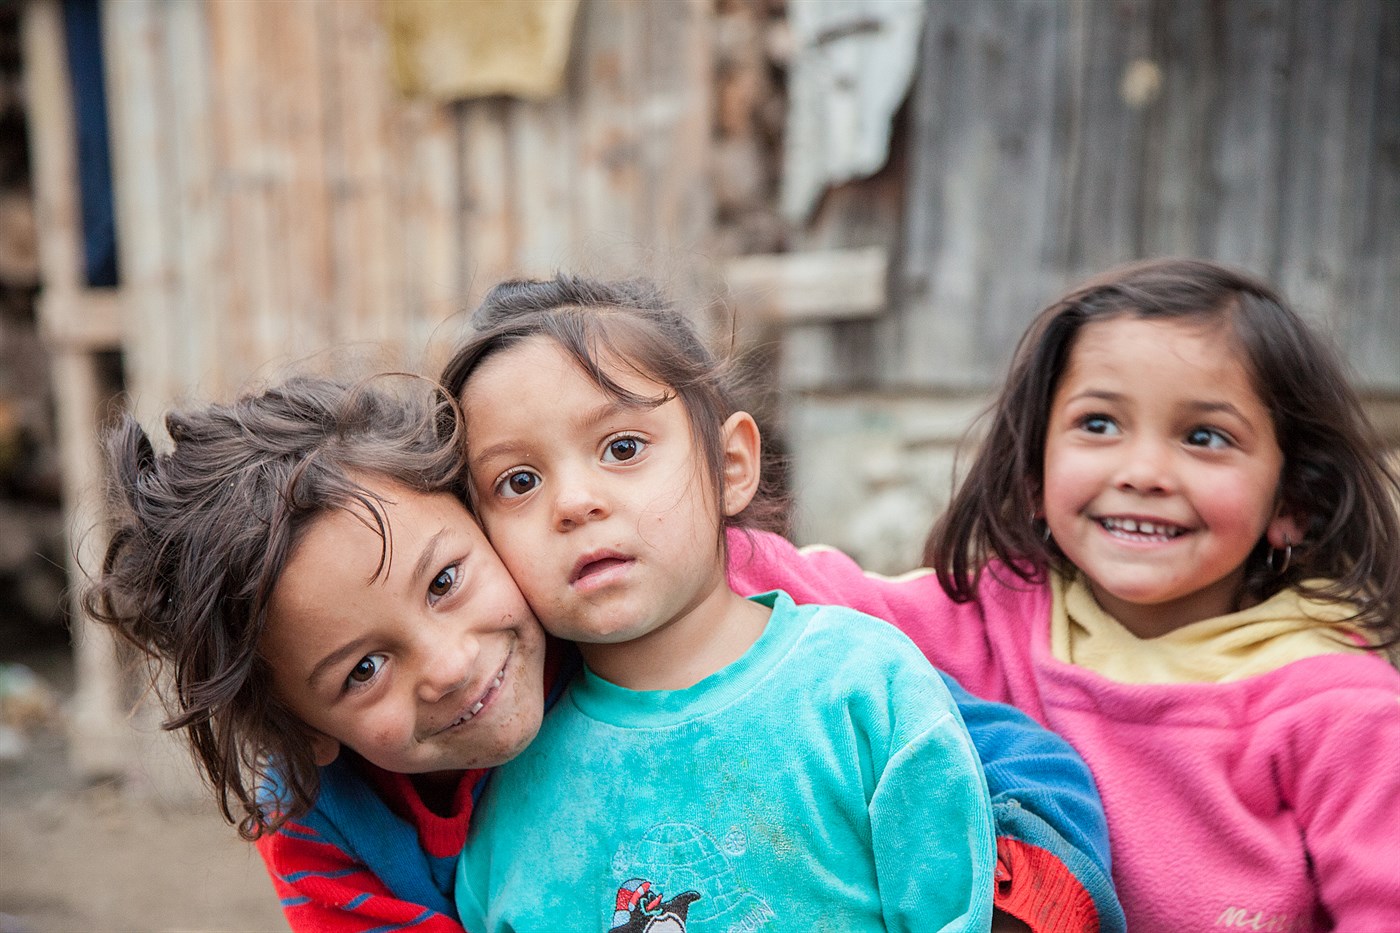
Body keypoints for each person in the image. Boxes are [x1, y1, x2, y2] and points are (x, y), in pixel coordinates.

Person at [88, 368, 1119, 931]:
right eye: (361, 671)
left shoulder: (674, 603)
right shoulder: (327, 826)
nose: (445, 664)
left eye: (446, 581)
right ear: (300, 728)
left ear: (482, 515)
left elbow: (1007, 763)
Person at [701, 258, 1400, 930]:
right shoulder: (987, 623)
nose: (1144, 470)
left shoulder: (1344, 711)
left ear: (1294, 500)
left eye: (1205, 436)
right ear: (1035, 472)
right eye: (1099, 424)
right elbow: (791, 581)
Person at [442, 276, 1100, 933]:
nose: (574, 502)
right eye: (518, 481)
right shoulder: (509, 789)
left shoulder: (861, 690)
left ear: (730, 466)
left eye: (623, 448)